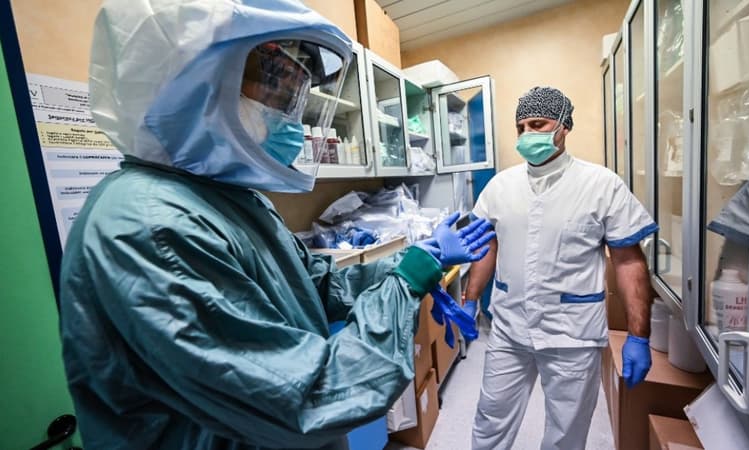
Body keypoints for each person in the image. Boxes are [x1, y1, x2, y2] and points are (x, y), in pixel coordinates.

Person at [58, 1, 494, 449]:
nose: (291, 116)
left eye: (296, 98)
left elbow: (315, 284)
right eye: (277, 91)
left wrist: (418, 261)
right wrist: (401, 286)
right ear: (193, 85)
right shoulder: (150, 225)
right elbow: (313, 397)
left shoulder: (229, 199)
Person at [466, 86, 657, 450]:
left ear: (564, 126)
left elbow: (629, 261)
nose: (526, 135)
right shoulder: (500, 186)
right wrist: (469, 299)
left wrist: (638, 335)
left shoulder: (601, 185)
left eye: (537, 124)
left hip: (572, 334)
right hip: (509, 326)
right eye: (520, 127)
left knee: (566, 432)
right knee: (490, 416)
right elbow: (485, 246)